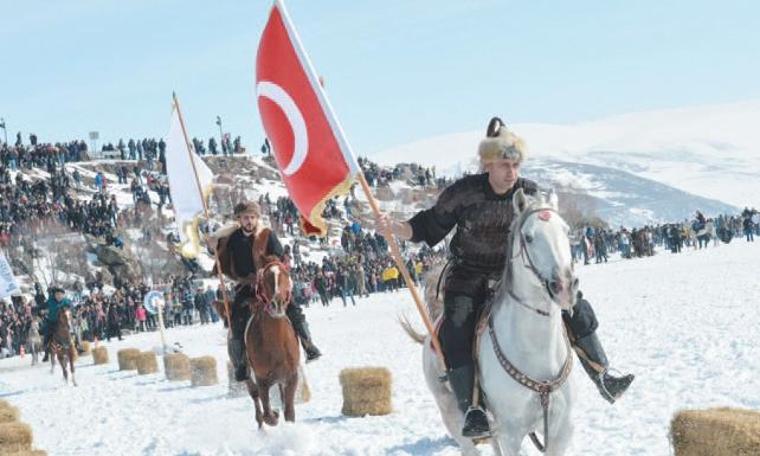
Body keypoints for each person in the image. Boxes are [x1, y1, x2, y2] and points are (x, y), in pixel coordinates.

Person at [376, 117, 634, 438]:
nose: (511, 172)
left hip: (515, 277)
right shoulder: (464, 193)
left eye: (515, 164)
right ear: (487, 164)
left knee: (573, 303)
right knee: (456, 327)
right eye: (504, 164)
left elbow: (545, 228)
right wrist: (394, 227)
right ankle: (473, 409)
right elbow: (427, 226)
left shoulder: (529, 194)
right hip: (467, 276)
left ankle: (602, 374)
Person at [210, 201, 322, 382]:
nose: (249, 221)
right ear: (239, 219)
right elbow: (218, 253)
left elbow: (279, 256)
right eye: (246, 217)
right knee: (236, 321)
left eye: (252, 217)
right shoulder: (233, 239)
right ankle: (241, 364)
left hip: (269, 283)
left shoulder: (267, 235)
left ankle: (308, 345)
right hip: (246, 285)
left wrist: (268, 268)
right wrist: (212, 246)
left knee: (294, 310)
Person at [41, 287, 71, 362]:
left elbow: (71, 306)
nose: (59, 296)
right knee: (47, 334)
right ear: (54, 295)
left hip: (62, 322)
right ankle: (46, 352)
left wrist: (70, 310)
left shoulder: (65, 301)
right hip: (52, 322)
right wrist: (37, 310)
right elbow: (42, 306)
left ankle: (77, 346)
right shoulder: (50, 301)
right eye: (57, 294)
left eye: (60, 294)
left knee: (72, 332)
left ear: (63, 295)